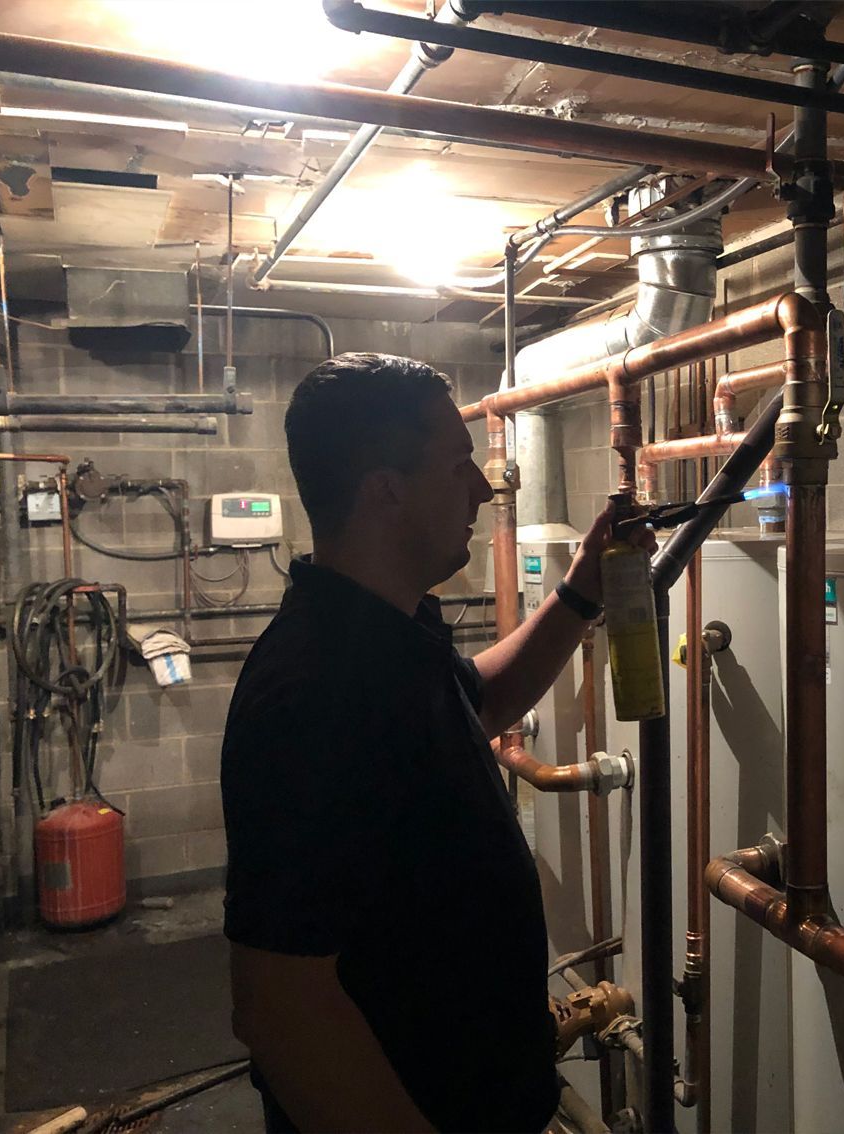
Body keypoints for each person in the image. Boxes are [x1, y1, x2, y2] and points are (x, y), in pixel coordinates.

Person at [221, 353, 650, 1132]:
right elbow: (281, 1008)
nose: (484, 490)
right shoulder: (313, 691)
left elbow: (477, 699)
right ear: (386, 489)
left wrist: (583, 588)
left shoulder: (382, 635)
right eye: (460, 467)